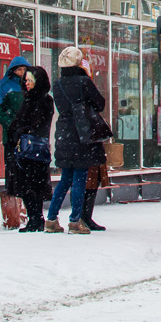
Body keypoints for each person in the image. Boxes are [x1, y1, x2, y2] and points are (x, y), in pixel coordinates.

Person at [45, 46, 106, 234]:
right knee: (80, 177)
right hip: (82, 133)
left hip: (64, 132)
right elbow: (100, 104)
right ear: (79, 63)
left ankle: (51, 219)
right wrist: (87, 77)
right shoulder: (83, 81)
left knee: (65, 178)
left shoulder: (58, 84)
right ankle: (75, 221)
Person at [6, 66, 54, 233]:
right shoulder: (29, 99)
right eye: (25, 80)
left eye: (30, 80)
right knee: (29, 185)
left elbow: (36, 124)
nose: (26, 83)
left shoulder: (42, 100)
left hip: (33, 149)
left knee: (33, 185)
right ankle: (34, 219)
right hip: (29, 149)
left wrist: (19, 131)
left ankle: (36, 219)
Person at [0, 54, 32, 229]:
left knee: (27, 172)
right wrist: (11, 124)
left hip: (28, 137)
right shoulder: (5, 87)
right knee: (12, 171)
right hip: (12, 137)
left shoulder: (30, 86)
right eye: (19, 69)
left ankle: (24, 210)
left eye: (24, 69)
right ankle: (13, 212)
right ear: (12, 71)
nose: (21, 72)